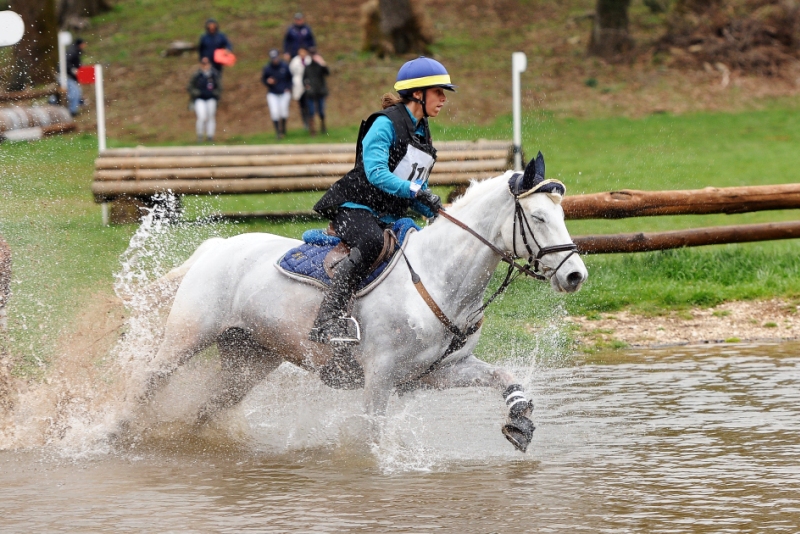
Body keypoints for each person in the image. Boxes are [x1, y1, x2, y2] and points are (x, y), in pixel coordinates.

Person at [309, 56, 453, 345]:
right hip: (356, 209)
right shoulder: (384, 124)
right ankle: (327, 319)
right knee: (373, 242)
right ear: (417, 94)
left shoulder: (423, 132)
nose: (443, 99)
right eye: (438, 91)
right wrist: (416, 191)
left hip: (389, 216)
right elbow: (376, 173)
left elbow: (416, 184)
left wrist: (439, 211)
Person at [187, 57, 221, 143]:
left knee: (210, 117)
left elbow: (219, 87)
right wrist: (196, 93)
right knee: (201, 117)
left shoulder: (214, 74)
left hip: (211, 98)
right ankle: (200, 135)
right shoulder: (197, 75)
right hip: (200, 98)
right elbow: (190, 87)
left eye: (206, 64)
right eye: (203, 64)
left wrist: (215, 94)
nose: (205, 66)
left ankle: (210, 136)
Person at [261, 49, 293, 139]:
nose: (275, 60)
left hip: (284, 92)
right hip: (273, 93)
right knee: (275, 112)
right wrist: (268, 81)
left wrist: (288, 88)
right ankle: (278, 132)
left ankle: (283, 129)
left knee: (283, 112)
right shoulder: (267, 68)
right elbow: (264, 79)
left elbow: (290, 78)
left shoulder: (284, 66)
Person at [303, 47, 329, 135]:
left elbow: (327, 73)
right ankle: (312, 130)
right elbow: (304, 79)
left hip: (320, 91)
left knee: (321, 110)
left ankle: (323, 127)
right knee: (311, 111)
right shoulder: (308, 67)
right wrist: (307, 86)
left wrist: (322, 63)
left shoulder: (320, 66)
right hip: (311, 92)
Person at [289, 47, 311, 130]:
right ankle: (305, 122)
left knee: (308, 104)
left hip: (308, 83)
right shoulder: (294, 61)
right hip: (298, 84)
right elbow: (291, 72)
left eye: (303, 52)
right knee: (302, 105)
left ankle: (310, 121)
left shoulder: (309, 60)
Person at [65, 38, 87, 117]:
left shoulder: (75, 51)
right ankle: (72, 111)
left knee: (76, 91)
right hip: (66, 76)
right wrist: (73, 70)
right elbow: (66, 63)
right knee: (75, 92)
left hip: (69, 75)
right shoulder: (73, 51)